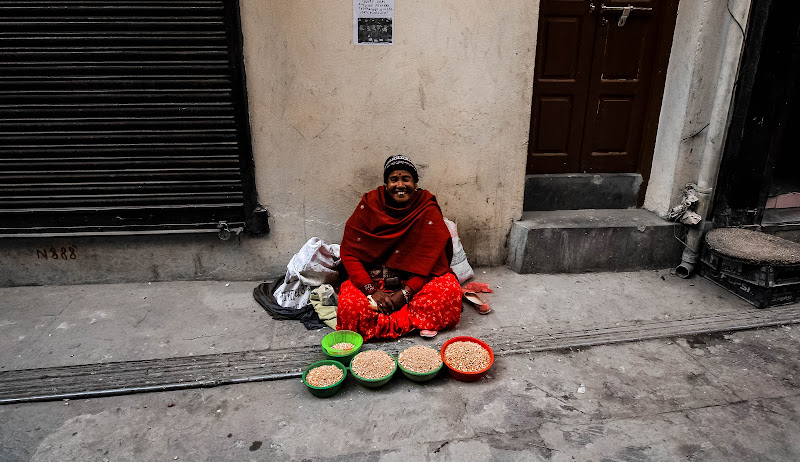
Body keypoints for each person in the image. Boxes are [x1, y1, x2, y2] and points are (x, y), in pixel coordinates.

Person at [336, 155, 462, 340]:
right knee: (349, 304)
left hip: (415, 285)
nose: (400, 185)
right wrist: (371, 290)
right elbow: (349, 253)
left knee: (449, 290)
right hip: (374, 282)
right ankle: (417, 322)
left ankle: (380, 324)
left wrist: (405, 293)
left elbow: (431, 261)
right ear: (386, 184)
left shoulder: (426, 207)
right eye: (394, 179)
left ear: (415, 183)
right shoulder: (370, 205)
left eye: (406, 179)